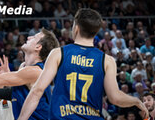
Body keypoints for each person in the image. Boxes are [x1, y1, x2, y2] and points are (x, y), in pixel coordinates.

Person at [17, 8, 148, 120]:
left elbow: (37, 91)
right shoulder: (107, 60)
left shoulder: (58, 53)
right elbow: (115, 98)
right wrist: (135, 100)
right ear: (95, 32)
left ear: (76, 28)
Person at [0, 28, 60, 119]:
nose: (29, 37)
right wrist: (8, 77)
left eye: (34, 37)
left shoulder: (35, 71)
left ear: (38, 47)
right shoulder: (24, 67)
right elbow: (11, 94)